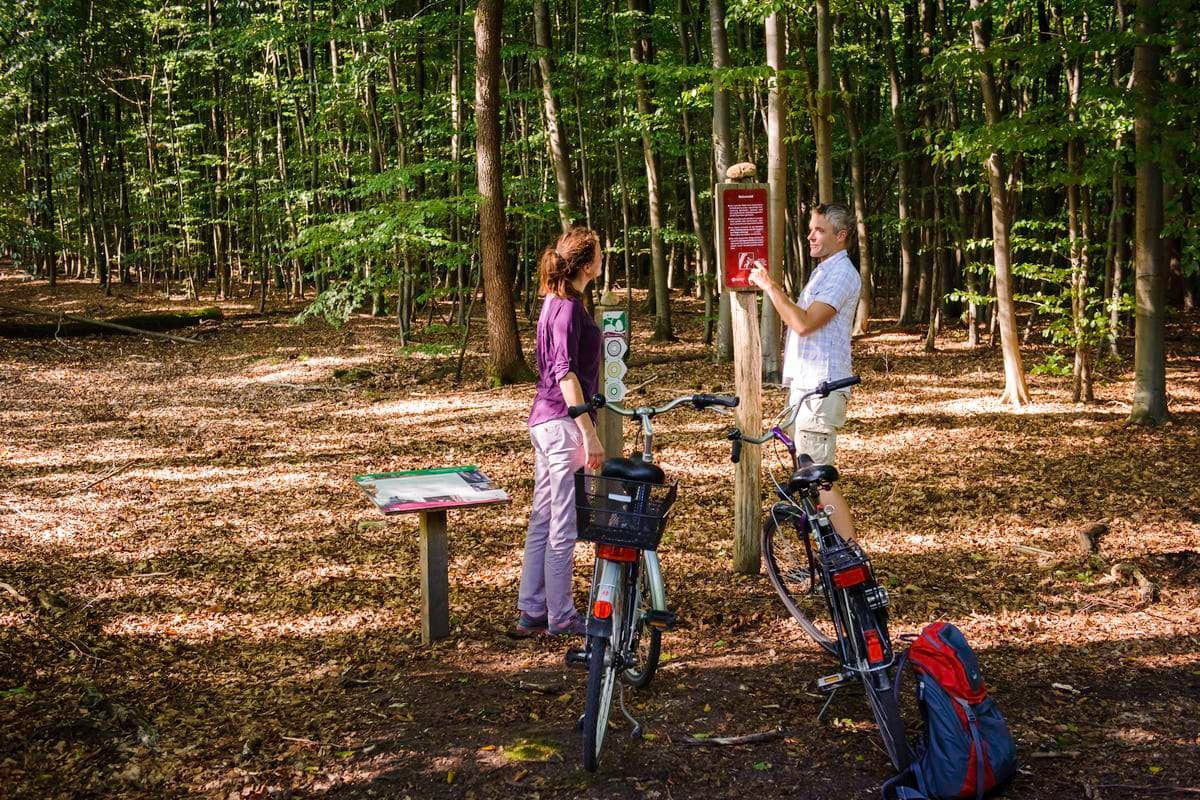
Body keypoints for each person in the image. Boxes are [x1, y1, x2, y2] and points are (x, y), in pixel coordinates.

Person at [510, 227, 605, 638]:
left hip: (545, 421)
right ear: (586, 265)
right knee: (562, 524)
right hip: (562, 424)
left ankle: (532, 609)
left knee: (544, 519)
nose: (603, 259)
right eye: (599, 254)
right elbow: (565, 373)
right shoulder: (565, 307)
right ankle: (561, 616)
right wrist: (589, 432)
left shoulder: (556, 302)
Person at [748, 203, 862, 539]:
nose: (810, 235)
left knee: (818, 477)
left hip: (821, 389)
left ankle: (850, 562)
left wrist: (770, 286)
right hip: (807, 389)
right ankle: (831, 557)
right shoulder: (824, 271)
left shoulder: (842, 274)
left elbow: (804, 323)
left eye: (819, 230)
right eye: (810, 229)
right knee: (808, 477)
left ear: (841, 237)